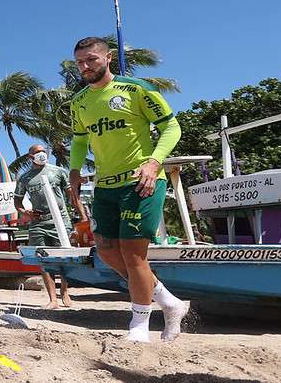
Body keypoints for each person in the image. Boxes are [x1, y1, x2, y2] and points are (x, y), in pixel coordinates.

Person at [68, 36, 186, 342]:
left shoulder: (136, 89)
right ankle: (170, 302)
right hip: (105, 186)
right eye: (79, 62)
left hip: (141, 182)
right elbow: (80, 141)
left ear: (108, 58)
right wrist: (75, 170)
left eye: (91, 59)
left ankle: (139, 326)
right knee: (107, 252)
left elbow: (171, 127)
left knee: (134, 257)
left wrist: (154, 163)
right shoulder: (79, 102)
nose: (85, 66)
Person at [14, 144, 87, 309]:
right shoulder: (25, 178)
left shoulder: (58, 171)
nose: (41, 154)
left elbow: (73, 196)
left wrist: (83, 217)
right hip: (38, 223)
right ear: (30, 157)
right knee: (43, 259)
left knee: (65, 257)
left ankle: (65, 292)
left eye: (43, 151)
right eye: (37, 152)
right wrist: (25, 212)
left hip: (60, 219)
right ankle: (52, 299)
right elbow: (17, 201)